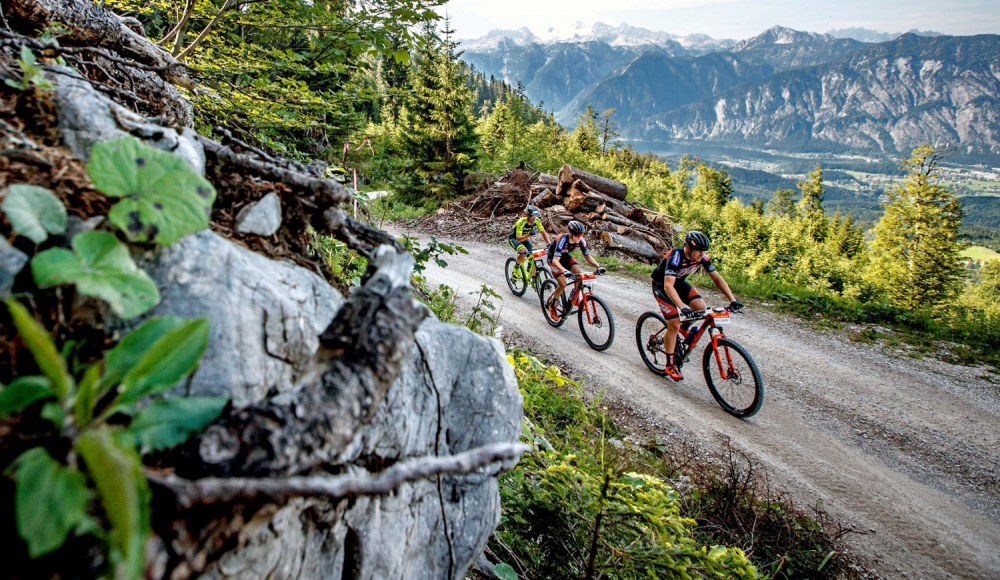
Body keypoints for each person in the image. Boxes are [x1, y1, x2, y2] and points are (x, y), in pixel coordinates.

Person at [651, 230, 743, 381]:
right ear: (688, 248)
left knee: (701, 307)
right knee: (673, 323)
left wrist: (732, 299)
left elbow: (716, 277)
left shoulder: (701, 257)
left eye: (703, 251)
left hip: (679, 283)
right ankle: (670, 363)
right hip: (662, 286)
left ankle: (684, 328)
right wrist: (682, 306)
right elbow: (668, 286)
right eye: (699, 250)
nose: (702, 254)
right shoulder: (675, 257)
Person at [545, 220, 605, 319]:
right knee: (562, 284)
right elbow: (556, 261)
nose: (579, 237)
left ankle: (576, 298)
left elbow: (587, 256)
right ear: (571, 233)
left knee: (578, 274)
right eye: (577, 235)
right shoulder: (562, 240)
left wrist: (598, 266)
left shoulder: (581, 240)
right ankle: (552, 305)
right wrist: (564, 271)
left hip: (564, 257)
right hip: (553, 259)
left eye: (581, 235)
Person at [509, 205, 551, 280]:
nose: (534, 218)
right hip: (514, 239)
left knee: (534, 256)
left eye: (536, 216)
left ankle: (534, 280)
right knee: (523, 251)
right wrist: (529, 234)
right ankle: (516, 268)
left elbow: (543, 232)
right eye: (533, 216)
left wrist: (549, 244)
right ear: (527, 215)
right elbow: (518, 239)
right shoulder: (521, 222)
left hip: (525, 239)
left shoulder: (537, 220)